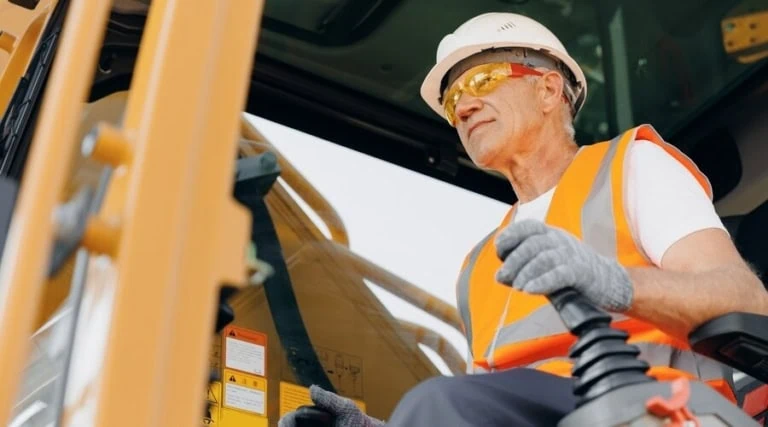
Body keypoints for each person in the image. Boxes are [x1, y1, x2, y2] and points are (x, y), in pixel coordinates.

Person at [279, 12, 768, 427]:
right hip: (551, 415)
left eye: (481, 80)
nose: (464, 106)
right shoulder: (479, 265)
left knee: (435, 401)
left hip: (656, 408)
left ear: (549, 89)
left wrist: (614, 283)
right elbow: (491, 405)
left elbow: (745, 300)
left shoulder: (632, 167)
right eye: (452, 101)